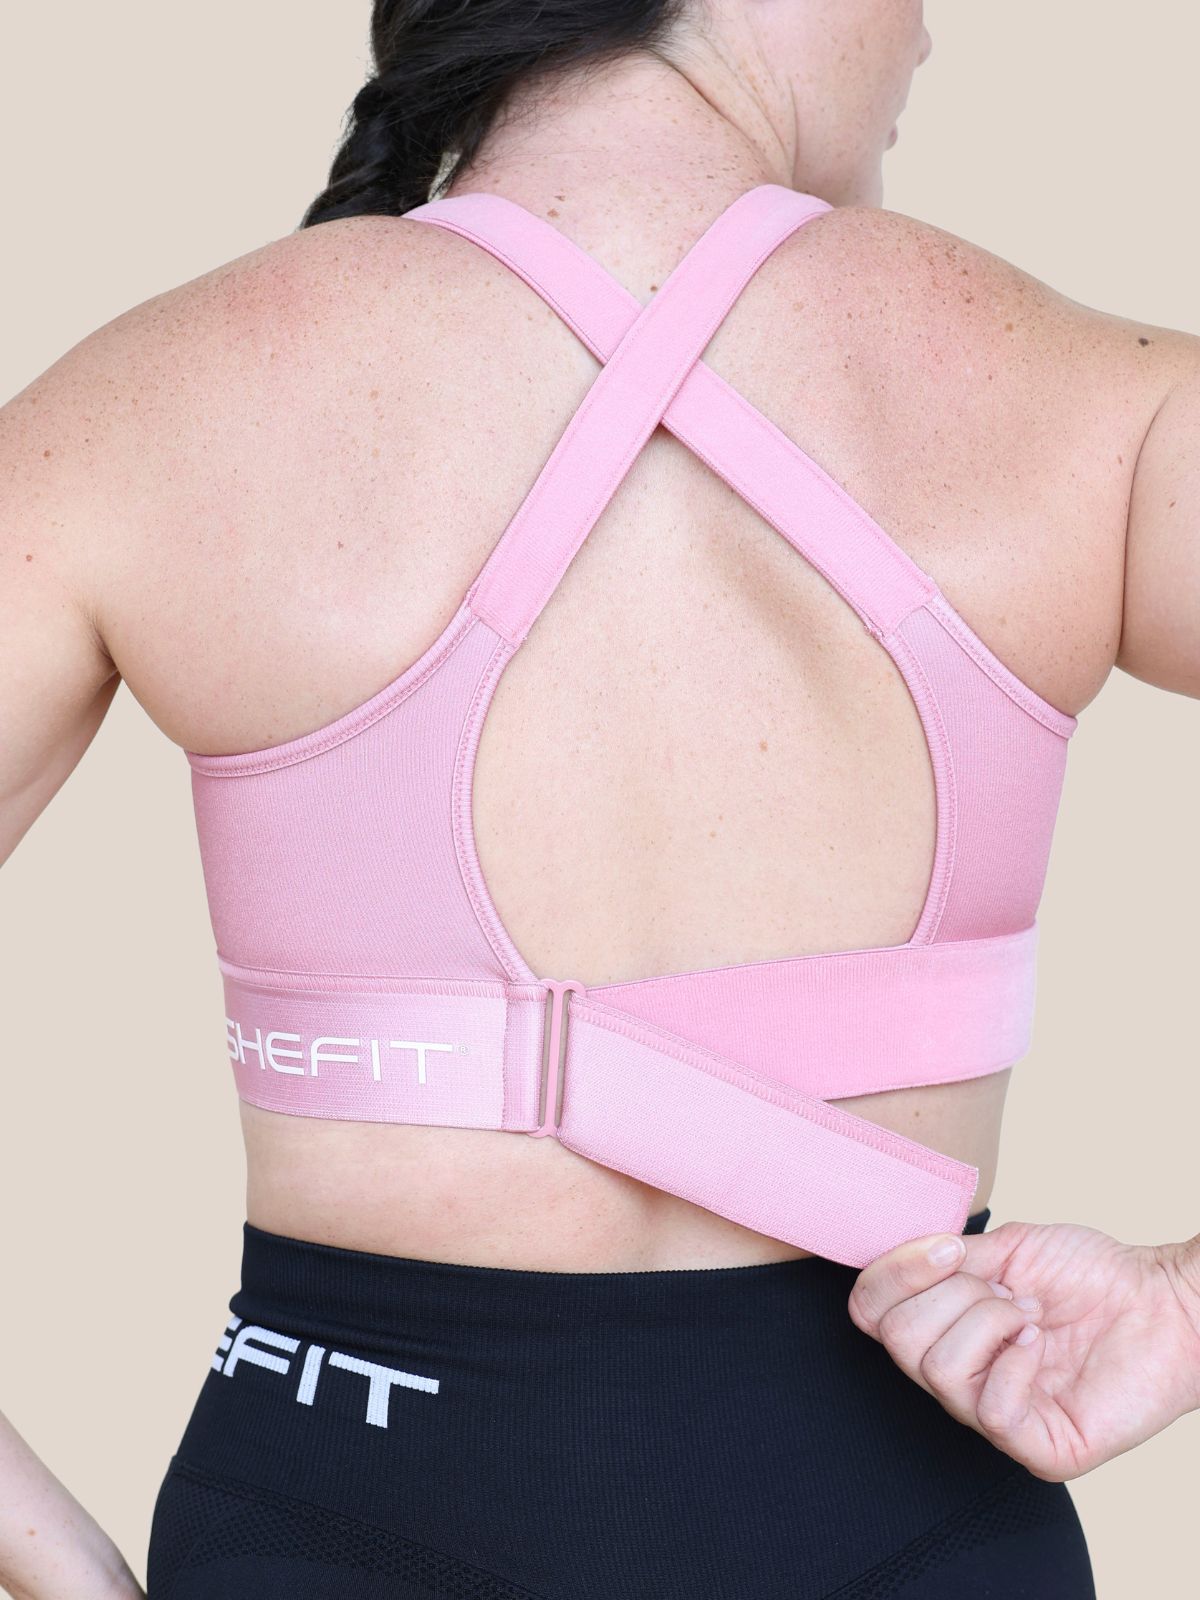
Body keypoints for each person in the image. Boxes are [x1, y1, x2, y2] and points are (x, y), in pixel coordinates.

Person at [2, 2, 1197, 1596]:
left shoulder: (138, 414)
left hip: (329, 1516)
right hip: (921, 1528)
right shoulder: (1096, 404)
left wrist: (71, 1577)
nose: (928, 29)